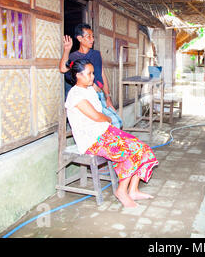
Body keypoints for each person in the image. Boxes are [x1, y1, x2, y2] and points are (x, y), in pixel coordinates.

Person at [65, 59, 158, 208]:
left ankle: (133, 190)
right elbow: (96, 116)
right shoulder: (75, 95)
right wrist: (108, 119)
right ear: (77, 75)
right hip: (92, 140)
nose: (93, 77)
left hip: (103, 133)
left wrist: (106, 115)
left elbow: (100, 105)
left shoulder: (89, 89)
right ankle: (121, 191)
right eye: (89, 74)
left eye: (92, 73)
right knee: (129, 151)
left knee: (142, 147)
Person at [59, 23, 123, 129]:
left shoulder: (96, 54)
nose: (92, 39)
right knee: (110, 124)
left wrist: (108, 97)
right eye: (88, 36)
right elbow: (62, 69)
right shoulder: (74, 57)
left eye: (93, 36)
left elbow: (102, 74)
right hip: (87, 98)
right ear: (79, 38)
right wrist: (66, 50)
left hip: (99, 95)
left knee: (118, 122)